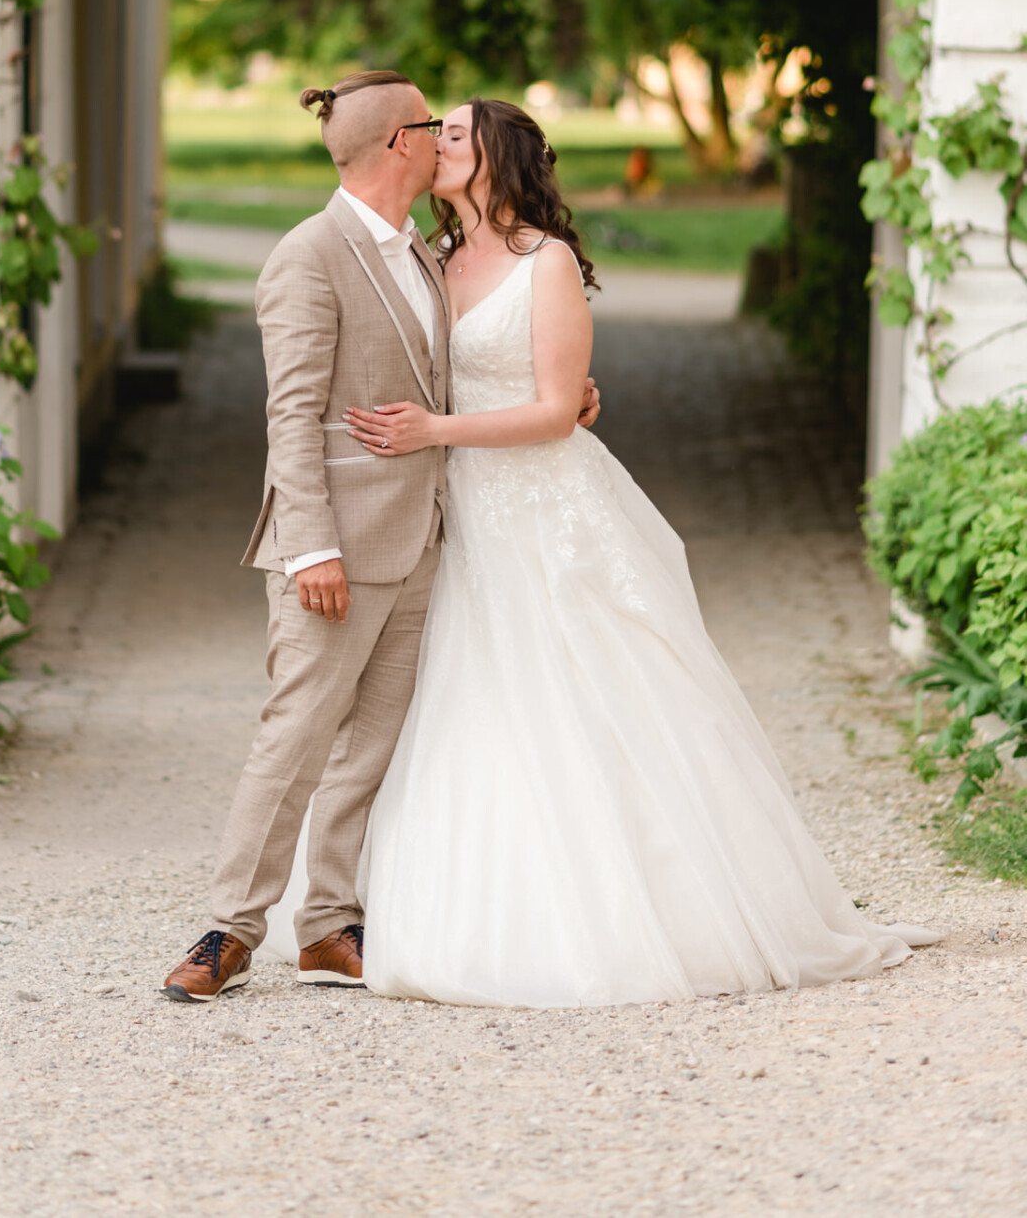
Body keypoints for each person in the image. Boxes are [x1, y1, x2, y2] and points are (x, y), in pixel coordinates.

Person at [336, 97, 939, 1006]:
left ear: (496, 156)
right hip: (460, 514)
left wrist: (435, 428)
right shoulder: (434, 259)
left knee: (589, 688)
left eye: (454, 133)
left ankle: (645, 915)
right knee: (471, 694)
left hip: (545, 510)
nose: (434, 145)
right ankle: (460, 910)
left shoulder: (548, 265)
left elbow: (549, 411)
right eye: (433, 133)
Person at [161, 74, 599, 1000]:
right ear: (401, 143)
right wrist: (311, 544)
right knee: (297, 736)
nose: (443, 134)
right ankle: (229, 931)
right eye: (432, 123)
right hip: (337, 550)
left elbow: (460, 372)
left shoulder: (427, 252)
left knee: (373, 746)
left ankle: (329, 923)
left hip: (426, 539)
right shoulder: (307, 257)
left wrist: (567, 397)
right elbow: (291, 414)